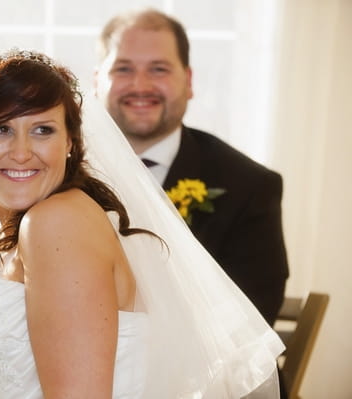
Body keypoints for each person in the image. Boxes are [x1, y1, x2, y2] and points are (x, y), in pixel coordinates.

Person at [0, 49, 284, 398]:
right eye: (0, 129)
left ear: (69, 142)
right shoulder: (8, 231)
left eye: (43, 130)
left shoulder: (57, 223)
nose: (20, 151)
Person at [94, 8, 289, 326]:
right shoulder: (60, 172)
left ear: (188, 81)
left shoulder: (250, 186)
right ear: (97, 81)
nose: (140, 85)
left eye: (158, 69)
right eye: (123, 69)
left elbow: (251, 316)